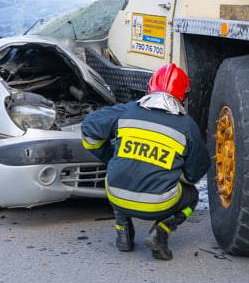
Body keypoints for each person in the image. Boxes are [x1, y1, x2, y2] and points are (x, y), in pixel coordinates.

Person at [81, 64, 209, 261]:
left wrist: (109, 157)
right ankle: (161, 231)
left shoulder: (126, 111)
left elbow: (89, 128)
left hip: (116, 195)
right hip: (160, 204)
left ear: (150, 88)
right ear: (183, 95)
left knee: (118, 176)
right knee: (191, 196)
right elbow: (195, 173)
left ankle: (122, 233)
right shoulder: (188, 126)